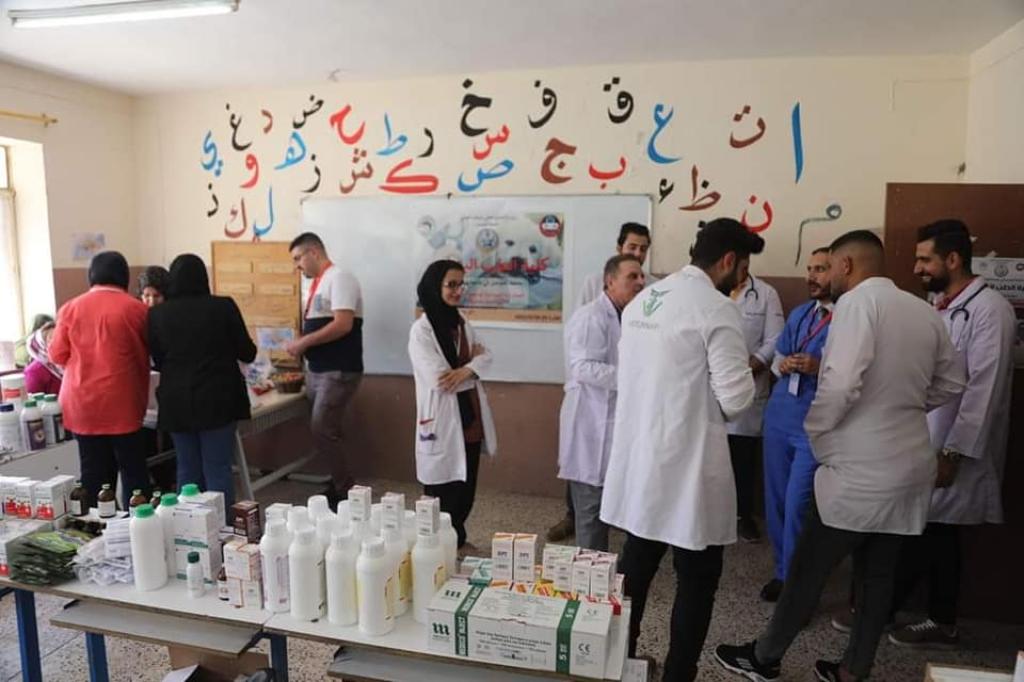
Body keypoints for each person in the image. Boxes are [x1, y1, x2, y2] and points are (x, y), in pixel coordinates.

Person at [715, 230, 965, 682]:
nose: (824, 275)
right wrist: (902, 406)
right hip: (909, 465)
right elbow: (952, 382)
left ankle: (764, 658)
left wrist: (817, 431)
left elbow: (842, 382)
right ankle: (853, 670)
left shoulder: (854, 306)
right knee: (878, 576)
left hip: (860, 469)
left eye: (828, 266)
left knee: (808, 567)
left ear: (846, 265)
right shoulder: (921, 310)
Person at [600, 218, 763, 682]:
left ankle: (619, 665)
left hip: (643, 462)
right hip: (689, 467)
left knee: (635, 569)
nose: (744, 279)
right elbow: (736, 399)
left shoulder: (644, 300)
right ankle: (677, 675)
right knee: (697, 579)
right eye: (744, 268)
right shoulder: (716, 308)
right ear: (728, 260)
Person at [883, 220, 1015, 649]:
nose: (917, 268)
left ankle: (939, 620)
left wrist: (953, 452)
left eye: (925, 259)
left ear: (953, 259)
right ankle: (889, 611)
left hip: (955, 446)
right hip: (925, 437)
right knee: (927, 528)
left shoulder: (991, 310)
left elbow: (985, 389)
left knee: (939, 531)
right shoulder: (940, 306)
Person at [548, 221, 653, 544]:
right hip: (591, 425)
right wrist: (632, 379)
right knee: (591, 513)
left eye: (641, 276)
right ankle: (588, 572)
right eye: (632, 277)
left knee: (611, 508)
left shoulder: (631, 316)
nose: (641, 282)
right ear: (610, 282)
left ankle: (601, 568)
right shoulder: (590, 317)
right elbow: (582, 367)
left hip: (618, 424)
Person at [148, 254, 257, 513]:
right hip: (218, 400)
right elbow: (247, 352)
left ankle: (188, 528)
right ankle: (222, 529)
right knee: (217, 468)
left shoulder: (157, 314)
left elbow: (158, 361)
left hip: (177, 401)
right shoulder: (223, 307)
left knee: (187, 468)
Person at [49, 251, 151, 510]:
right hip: (123, 404)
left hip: (82, 406)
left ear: (91, 276)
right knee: (134, 473)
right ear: (124, 277)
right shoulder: (137, 310)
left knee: (93, 475)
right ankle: (137, 525)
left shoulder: (70, 308)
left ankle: (98, 526)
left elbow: (57, 355)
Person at [760, 247, 833, 602]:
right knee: (775, 500)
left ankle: (798, 584)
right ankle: (782, 572)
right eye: (809, 268)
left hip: (813, 423)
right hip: (780, 415)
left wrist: (820, 367)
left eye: (821, 269)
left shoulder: (849, 319)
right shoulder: (802, 313)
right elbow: (778, 357)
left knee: (798, 503)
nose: (812, 276)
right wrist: (784, 364)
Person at [409, 260, 496, 548]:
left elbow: (487, 356)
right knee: (440, 488)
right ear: (435, 286)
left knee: (466, 483)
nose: (458, 290)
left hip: (470, 417)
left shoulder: (461, 323)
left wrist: (466, 369)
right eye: (451, 284)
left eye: (461, 284)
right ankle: (436, 545)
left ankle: (457, 537)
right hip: (442, 419)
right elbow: (440, 380)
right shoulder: (421, 331)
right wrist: (472, 368)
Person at [287, 232, 364, 499]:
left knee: (321, 429)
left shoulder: (340, 278)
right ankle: (339, 480)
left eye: (298, 258)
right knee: (327, 429)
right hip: (318, 369)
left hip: (337, 369)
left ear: (314, 252)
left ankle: (345, 490)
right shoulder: (318, 284)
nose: (297, 266)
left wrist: (304, 342)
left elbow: (343, 324)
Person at [728, 262, 784, 541]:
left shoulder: (765, 294)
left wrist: (755, 362)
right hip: (712, 386)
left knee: (744, 458)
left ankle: (743, 516)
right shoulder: (710, 290)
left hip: (749, 384)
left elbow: (776, 338)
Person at [23, 321, 63, 395]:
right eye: (51, 338)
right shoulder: (35, 372)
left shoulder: (69, 365)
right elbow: (32, 400)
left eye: (61, 337)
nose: (59, 341)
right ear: (41, 344)